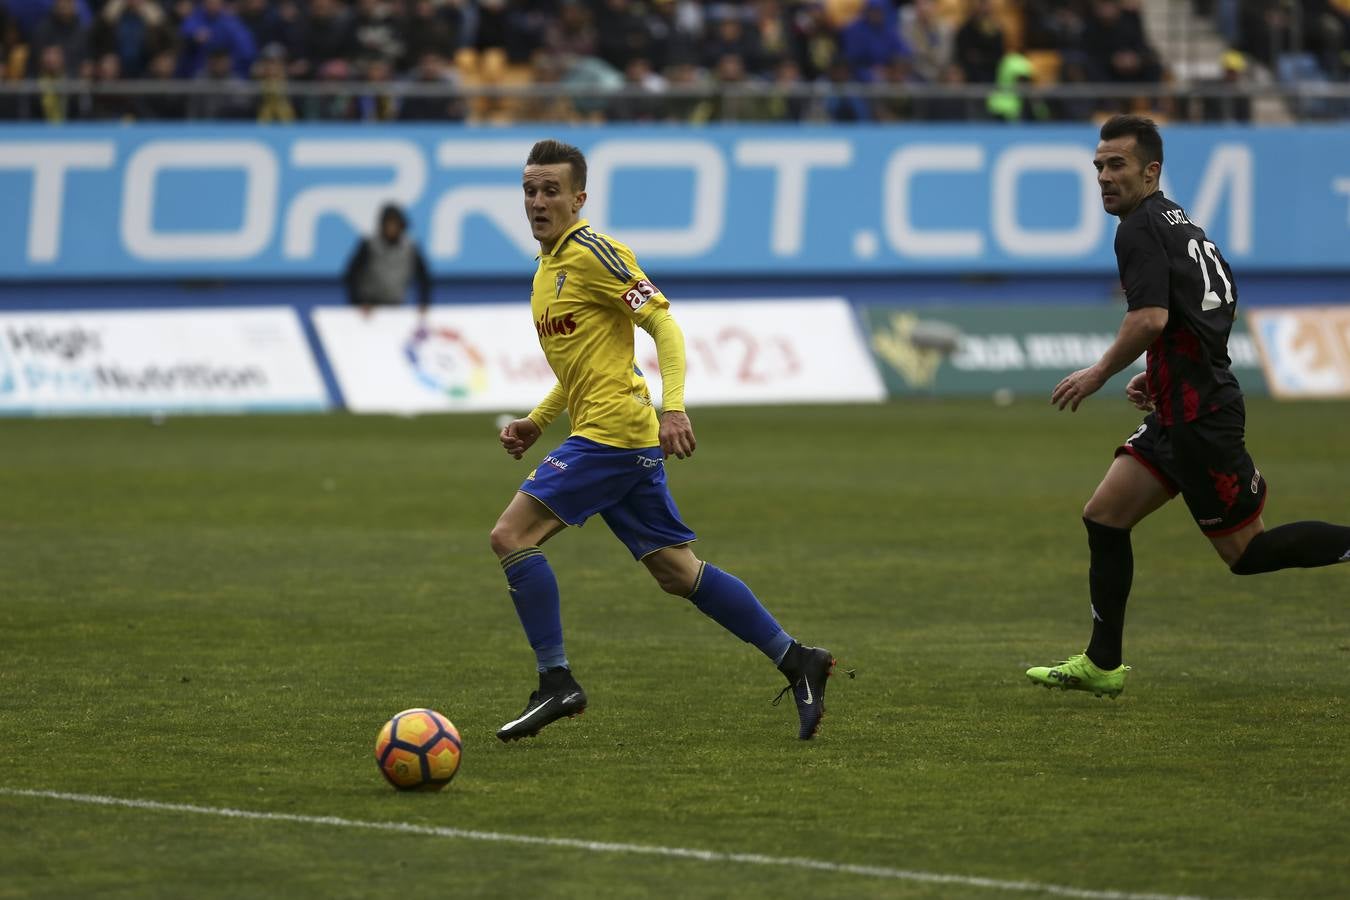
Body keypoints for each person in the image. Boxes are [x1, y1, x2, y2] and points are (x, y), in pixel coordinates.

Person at [491, 139, 840, 743]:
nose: (537, 201)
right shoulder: (546, 272)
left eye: (550, 190)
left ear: (579, 198)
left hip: (614, 436)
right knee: (679, 573)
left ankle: (557, 682)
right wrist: (538, 418)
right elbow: (585, 367)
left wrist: (673, 408)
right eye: (529, 189)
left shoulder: (595, 253)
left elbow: (663, 325)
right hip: (607, 432)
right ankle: (797, 659)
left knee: (510, 536)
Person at [1028, 115, 1350, 698]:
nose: (1104, 176)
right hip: (1180, 407)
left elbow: (1150, 317)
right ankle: (1103, 664)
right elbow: (1209, 310)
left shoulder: (1137, 230)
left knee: (1245, 553)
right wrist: (1160, 375)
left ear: (1150, 170)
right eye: (1098, 166)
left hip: (1201, 420)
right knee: (1104, 515)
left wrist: (1102, 372)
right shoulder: (1183, 224)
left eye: (1117, 165)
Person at [342, 204, 431, 316]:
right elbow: (351, 274)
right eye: (388, 224)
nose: (392, 229)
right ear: (382, 225)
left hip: (396, 305)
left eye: (395, 224)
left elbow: (424, 277)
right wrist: (358, 302)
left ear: (401, 225)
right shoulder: (369, 245)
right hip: (369, 307)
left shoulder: (411, 248)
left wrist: (424, 301)